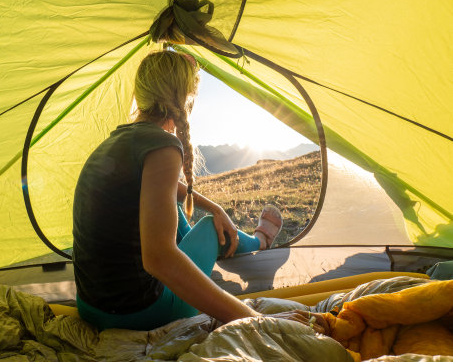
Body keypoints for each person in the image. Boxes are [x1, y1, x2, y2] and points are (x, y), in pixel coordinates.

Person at [72, 50, 328, 334]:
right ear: (186, 97)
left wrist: (216, 207)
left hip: (90, 307)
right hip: (139, 313)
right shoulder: (161, 145)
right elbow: (158, 259)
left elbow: (165, 189)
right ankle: (258, 243)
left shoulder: (116, 141)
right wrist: (256, 321)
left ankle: (245, 242)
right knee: (208, 228)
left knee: (180, 209)